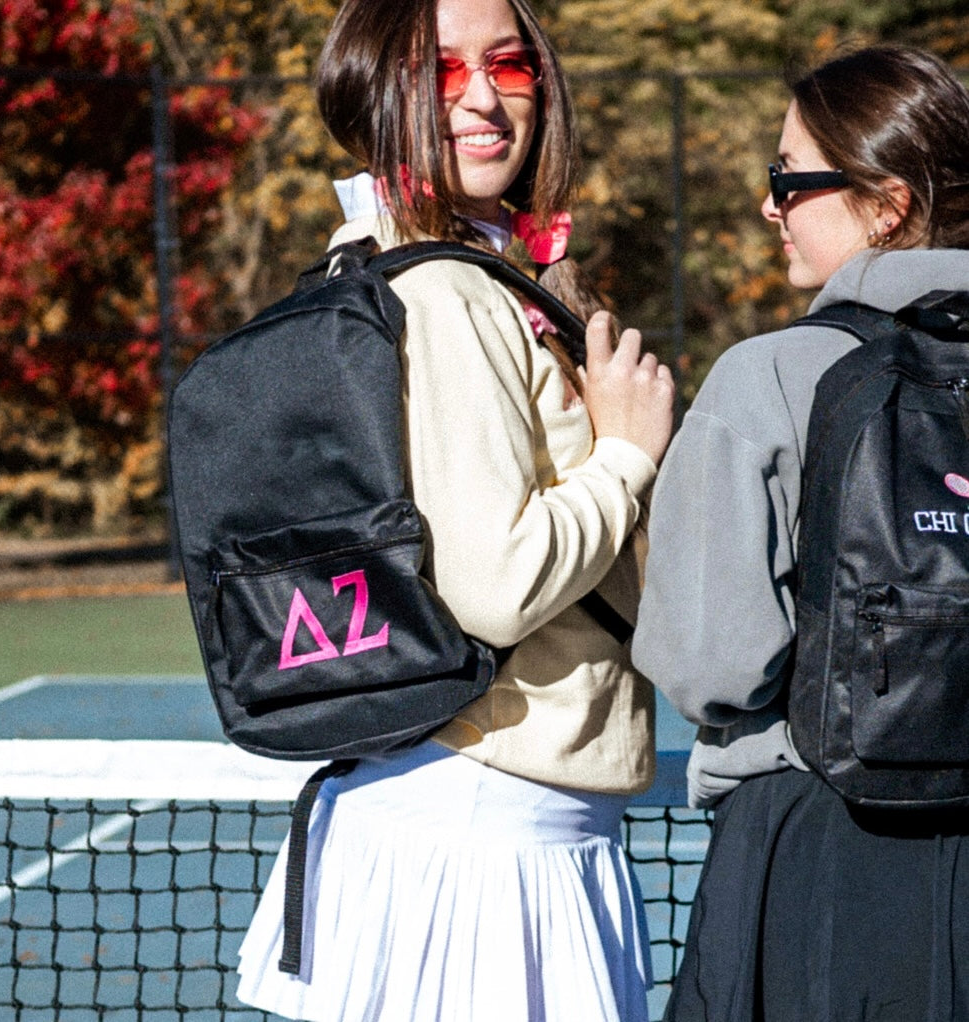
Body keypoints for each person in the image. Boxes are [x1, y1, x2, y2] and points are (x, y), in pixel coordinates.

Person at [235, 0, 676, 1019]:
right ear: (374, 92)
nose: (481, 96)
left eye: (507, 63)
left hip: (472, 807)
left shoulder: (411, 262)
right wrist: (623, 452)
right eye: (438, 71)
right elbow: (493, 584)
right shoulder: (445, 292)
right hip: (482, 831)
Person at [632, 44, 969, 1022]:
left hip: (810, 848)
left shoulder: (769, 373)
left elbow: (710, 661)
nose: (769, 204)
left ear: (885, 202)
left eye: (788, 179)